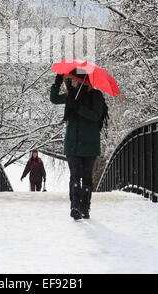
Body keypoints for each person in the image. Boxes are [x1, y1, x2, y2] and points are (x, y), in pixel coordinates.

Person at [50, 69, 106, 220]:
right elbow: (54, 99)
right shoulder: (71, 96)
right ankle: (75, 207)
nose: (72, 82)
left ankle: (85, 208)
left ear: (83, 81)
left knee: (86, 177)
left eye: (75, 80)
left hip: (90, 145)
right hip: (73, 144)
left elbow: (95, 116)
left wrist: (78, 108)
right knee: (75, 176)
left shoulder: (96, 96)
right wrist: (58, 80)